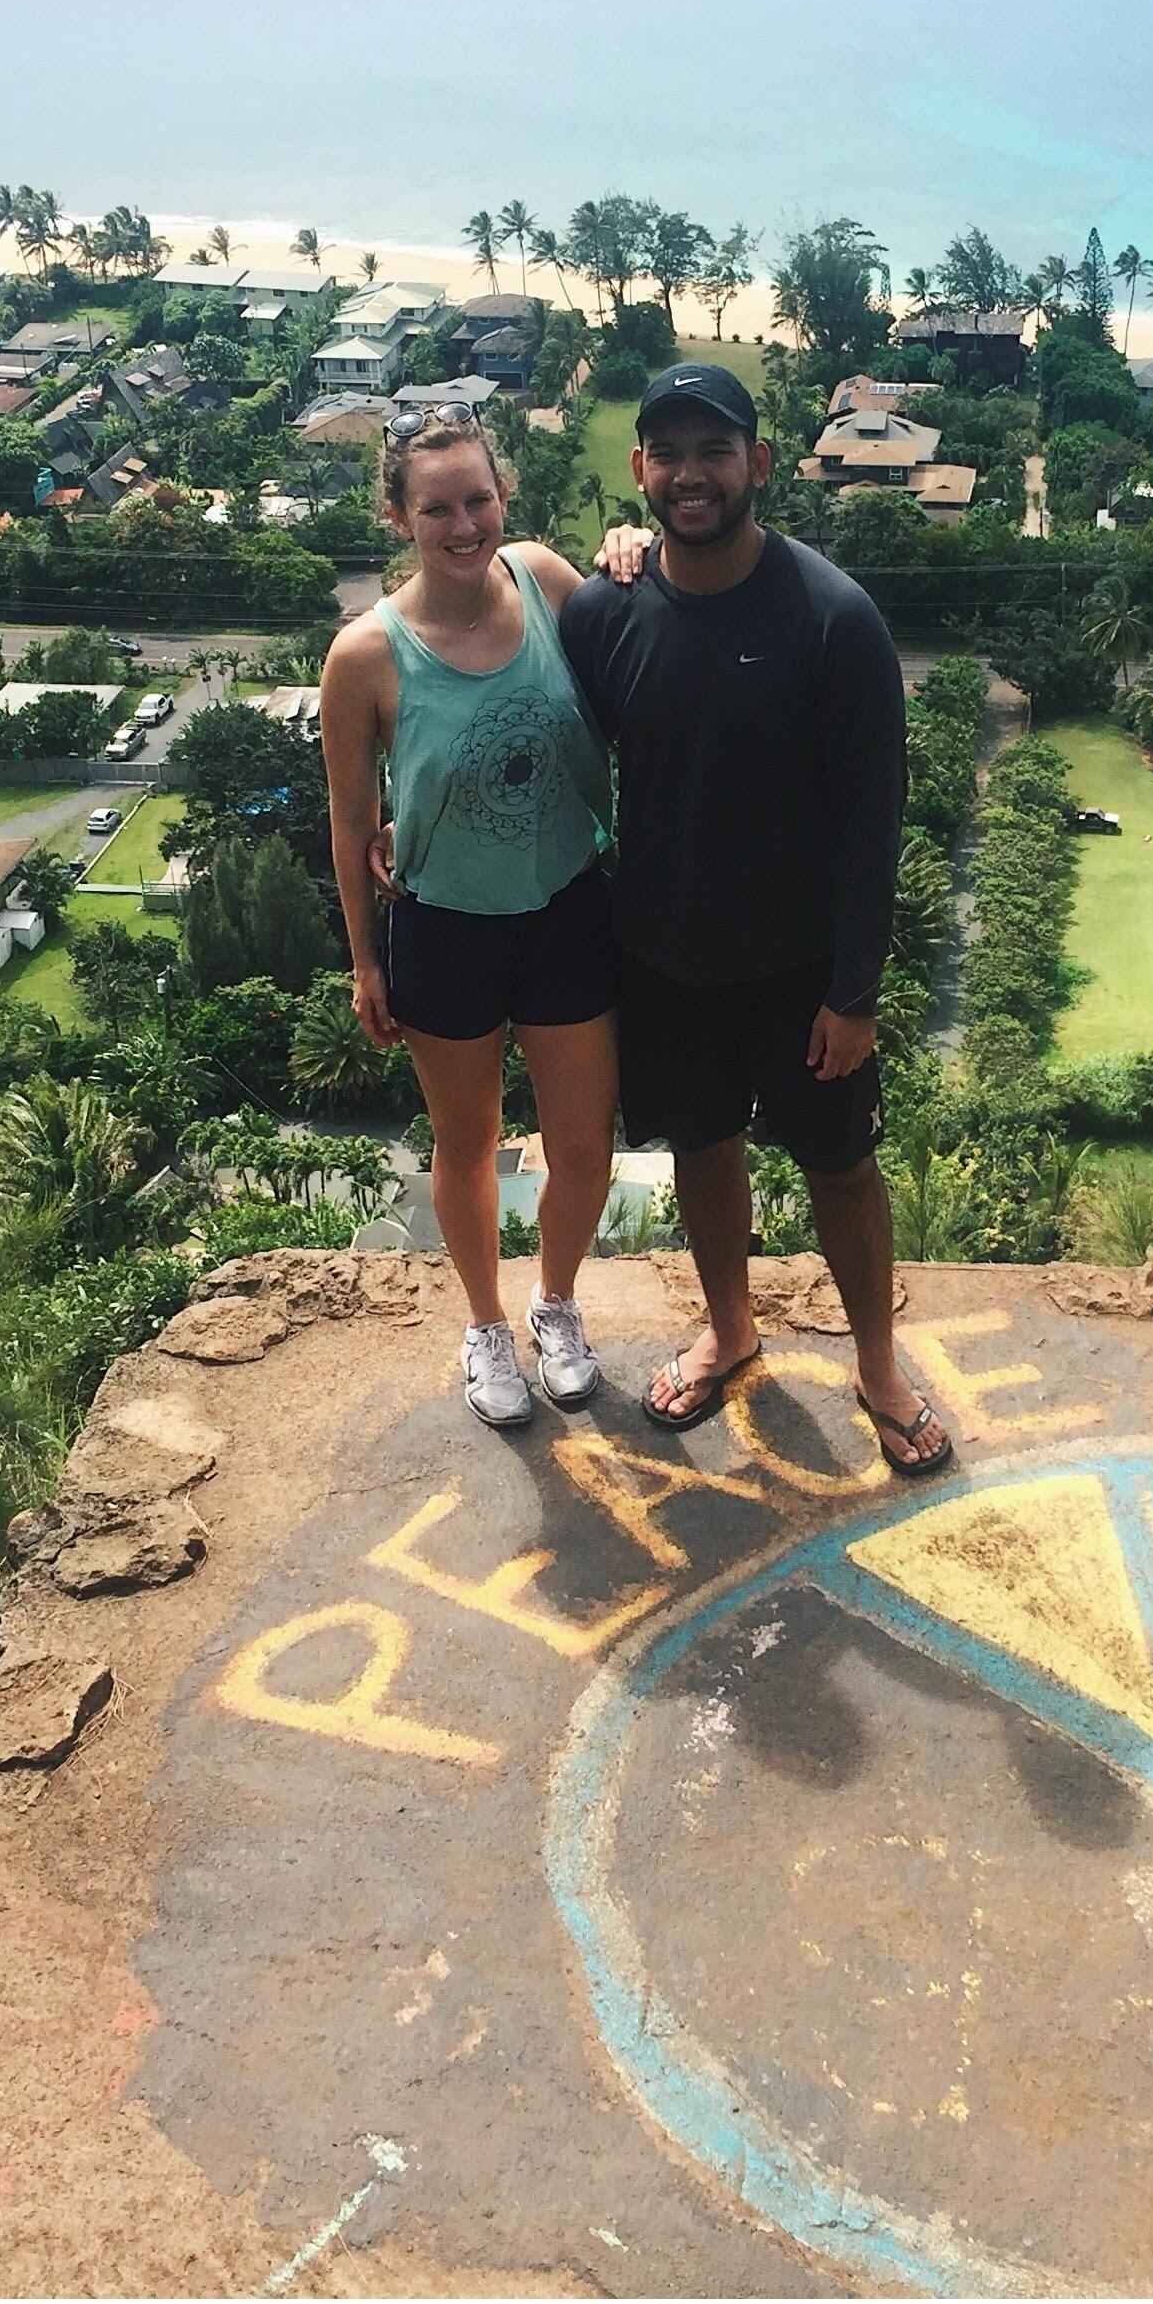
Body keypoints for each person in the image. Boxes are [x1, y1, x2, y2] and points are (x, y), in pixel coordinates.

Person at [558, 361, 950, 1474]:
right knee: (704, 1147)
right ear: (639, 470)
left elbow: (875, 824)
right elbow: (541, 727)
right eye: (668, 453)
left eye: (713, 451)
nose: (690, 475)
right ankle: (731, 1329)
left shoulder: (834, 620)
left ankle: (876, 1361)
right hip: (665, 960)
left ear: (758, 465)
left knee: (841, 1169)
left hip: (799, 970)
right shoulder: (607, 610)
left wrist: (854, 993)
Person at [319, 410, 619, 1430]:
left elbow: (640, 643)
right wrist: (365, 960)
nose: (463, 524)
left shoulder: (543, 579)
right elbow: (351, 819)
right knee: (468, 1143)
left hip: (569, 905)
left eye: (478, 500)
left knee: (583, 1144)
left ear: (505, 498)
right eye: (437, 507)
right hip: (445, 926)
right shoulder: (366, 655)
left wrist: (633, 554)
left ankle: (557, 1303)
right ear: (400, 516)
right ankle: (486, 1326)